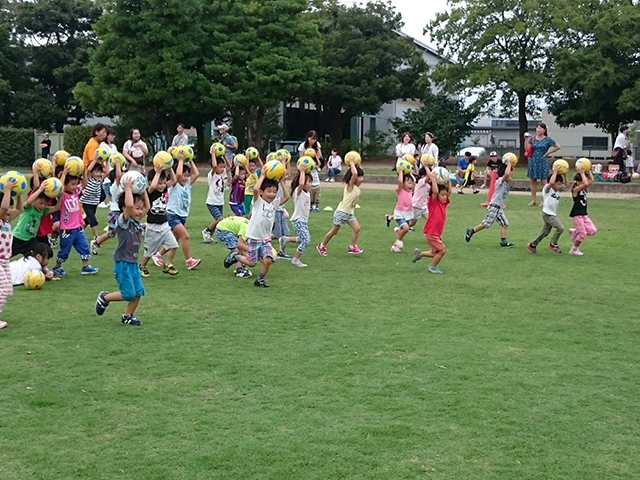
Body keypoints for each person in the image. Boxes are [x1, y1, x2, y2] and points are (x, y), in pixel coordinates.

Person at [95, 176, 150, 326]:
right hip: (122, 263)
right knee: (128, 294)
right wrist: (127, 188)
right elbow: (129, 205)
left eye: (140, 209)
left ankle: (127, 316)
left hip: (132, 263)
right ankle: (104, 298)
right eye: (135, 208)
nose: (139, 211)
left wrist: (143, 189)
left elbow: (147, 207)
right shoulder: (123, 221)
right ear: (125, 209)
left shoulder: (136, 222)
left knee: (138, 292)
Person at [223, 171, 290, 288]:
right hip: (254, 237)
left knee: (268, 260)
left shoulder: (274, 203)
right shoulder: (258, 202)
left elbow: (287, 196)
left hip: (266, 238)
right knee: (252, 263)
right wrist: (263, 175)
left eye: (274, 191)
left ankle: (260, 279)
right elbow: (255, 189)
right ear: (261, 192)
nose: (272, 194)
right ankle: (235, 257)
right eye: (269, 191)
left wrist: (281, 182)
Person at [152, 154, 201, 270]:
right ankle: (189, 261)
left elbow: (197, 174)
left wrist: (190, 160)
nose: (185, 178)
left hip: (182, 216)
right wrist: (180, 160)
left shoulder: (187, 184)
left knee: (173, 240)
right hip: (172, 214)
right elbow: (178, 175)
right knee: (186, 236)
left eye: (187, 175)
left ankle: (157, 255)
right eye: (184, 175)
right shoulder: (174, 184)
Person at [52, 166, 100, 276]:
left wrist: (83, 171)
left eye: (75, 184)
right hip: (66, 230)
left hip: (78, 227)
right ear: (65, 185)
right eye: (72, 184)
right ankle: (57, 267)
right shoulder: (62, 195)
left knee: (84, 246)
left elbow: (84, 184)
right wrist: (64, 174)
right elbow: (58, 187)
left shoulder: (75, 193)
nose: (75, 186)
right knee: (64, 250)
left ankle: (85, 266)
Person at [316, 161, 365, 256]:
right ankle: (321, 245)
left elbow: (357, 172)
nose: (362, 179)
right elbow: (354, 173)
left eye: (362, 177)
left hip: (349, 213)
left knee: (357, 228)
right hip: (341, 212)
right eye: (360, 177)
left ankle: (352, 247)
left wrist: (357, 163)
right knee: (334, 231)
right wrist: (351, 162)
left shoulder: (356, 188)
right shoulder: (350, 186)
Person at [464, 159, 515, 248]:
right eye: (511, 173)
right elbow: (506, 174)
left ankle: (503, 242)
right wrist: (509, 163)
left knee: (505, 223)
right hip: (494, 207)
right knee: (487, 223)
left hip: (498, 208)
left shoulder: (505, 183)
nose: (511, 175)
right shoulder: (500, 181)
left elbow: (507, 175)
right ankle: (471, 231)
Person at [139, 166, 179, 277]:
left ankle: (167, 265)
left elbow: (174, 180)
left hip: (165, 226)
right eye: (159, 183)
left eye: (163, 183)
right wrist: (157, 172)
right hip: (153, 227)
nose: (162, 186)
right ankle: (142, 266)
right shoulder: (149, 192)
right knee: (149, 252)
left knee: (173, 245)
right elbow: (152, 186)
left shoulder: (164, 188)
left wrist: (170, 168)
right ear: (152, 181)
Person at [412, 169, 451, 274]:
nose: (445, 197)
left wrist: (447, 180)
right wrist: (433, 179)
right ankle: (432, 267)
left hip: (436, 234)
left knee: (435, 252)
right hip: (431, 233)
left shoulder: (443, 203)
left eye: (445, 195)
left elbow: (449, 192)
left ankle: (420, 254)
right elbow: (435, 191)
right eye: (442, 195)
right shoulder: (433, 202)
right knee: (442, 251)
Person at [11, 181, 60, 258]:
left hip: (30, 240)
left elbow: (57, 207)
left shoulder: (43, 210)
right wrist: (40, 189)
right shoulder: (28, 207)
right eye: (41, 203)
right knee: (5, 255)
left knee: (41, 253)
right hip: (18, 238)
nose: (43, 206)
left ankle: (41, 269)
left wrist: (61, 195)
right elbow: (29, 201)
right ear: (34, 200)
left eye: (45, 204)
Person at [527, 165, 567, 255]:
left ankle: (532, 245)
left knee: (545, 232)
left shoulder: (557, 191)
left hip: (551, 214)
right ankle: (553, 244)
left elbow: (567, 185)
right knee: (560, 228)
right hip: (548, 214)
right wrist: (555, 172)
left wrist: (564, 174)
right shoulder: (547, 189)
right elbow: (552, 182)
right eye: (559, 184)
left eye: (561, 184)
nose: (560, 186)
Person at [0, 180, 22, 329]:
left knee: (8, 291)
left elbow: (19, 209)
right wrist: (7, 189)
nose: (10, 210)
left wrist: (19, 194)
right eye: (9, 208)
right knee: (4, 289)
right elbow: (4, 207)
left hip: (5, 260)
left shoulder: (6, 222)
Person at [278, 168, 311, 267]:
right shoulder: (298, 191)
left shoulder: (307, 193)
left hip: (303, 221)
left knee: (302, 238)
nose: (311, 184)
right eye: (309, 181)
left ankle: (285, 239)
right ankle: (295, 260)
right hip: (298, 220)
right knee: (306, 240)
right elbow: (300, 184)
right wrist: (302, 171)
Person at [91, 159, 125, 255]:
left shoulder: (123, 186)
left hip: (123, 212)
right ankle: (96, 242)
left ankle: (122, 250)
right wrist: (118, 163)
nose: (122, 175)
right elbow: (118, 175)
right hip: (115, 213)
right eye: (120, 174)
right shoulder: (115, 186)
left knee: (125, 232)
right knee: (111, 233)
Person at [525, 123, 561, 206]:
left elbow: (558, 146)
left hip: (542, 161)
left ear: (544, 130)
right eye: (537, 128)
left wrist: (549, 152)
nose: (538, 130)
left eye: (541, 128)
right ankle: (533, 200)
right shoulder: (533, 139)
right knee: (533, 181)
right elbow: (527, 149)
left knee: (544, 181)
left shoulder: (547, 139)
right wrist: (526, 139)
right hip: (533, 161)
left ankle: (544, 200)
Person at [201, 153, 228, 243]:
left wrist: (224, 156)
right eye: (221, 167)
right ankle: (207, 231)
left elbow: (230, 166)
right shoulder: (211, 175)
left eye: (223, 167)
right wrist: (213, 154)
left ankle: (208, 236)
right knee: (220, 219)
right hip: (212, 202)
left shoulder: (221, 175)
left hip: (220, 202)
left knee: (219, 222)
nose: (222, 169)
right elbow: (215, 165)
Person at [568, 169, 596, 256]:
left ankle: (575, 231)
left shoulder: (583, 188)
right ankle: (574, 249)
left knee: (592, 230)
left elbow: (591, 181)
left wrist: (588, 171)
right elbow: (586, 183)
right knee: (582, 233)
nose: (585, 181)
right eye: (582, 180)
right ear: (577, 182)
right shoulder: (575, 190)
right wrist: (582, 173)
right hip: (577, 215)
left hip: (584, 214)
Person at [80, 159, 104, 246]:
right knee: (92, 219)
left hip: (94, 203)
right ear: (91, 173)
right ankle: (96, 237)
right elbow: (88, 170)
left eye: (99, 172)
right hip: (85, 203)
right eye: (96, 172)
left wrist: (107, 160)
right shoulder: (89, 179)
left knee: (86, 220)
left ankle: (77, 232)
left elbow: (107, 172)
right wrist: (95, 159)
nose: (98, 174)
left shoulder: (100, 180)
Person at [390, 171, 415, 253]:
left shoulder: (410, 191)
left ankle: (394, 246)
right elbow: (400, 181)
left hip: (407, 214)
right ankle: (399, 241)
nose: (411, 185)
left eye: (411, 183)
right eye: (408, 183)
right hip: (399, 213)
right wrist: (401, 171)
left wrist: (410, 173)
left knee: (403, 230)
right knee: (406, 228)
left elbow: (414, 181)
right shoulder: (400, 190)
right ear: (403, 184)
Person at [298, 131, 323, 207]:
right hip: (306, 168)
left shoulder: (317, 145)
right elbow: (301, 159)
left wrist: (315, 156)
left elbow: (320, 157)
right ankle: (307, 202)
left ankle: (315, 204)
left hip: (314, 167)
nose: (313, 141)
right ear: (308, 137)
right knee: (307, 185)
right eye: (311, 139)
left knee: (316, 186)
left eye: (315, 139)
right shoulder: (302, 146)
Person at [99, 128, 118, 208]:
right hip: (106, 167)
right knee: (105, 183)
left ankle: (112, 200)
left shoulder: (113, 146)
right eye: (111, 135)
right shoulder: (103, 145)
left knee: (113, 184)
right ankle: (104, 200)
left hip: (113, 168)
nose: (113, 137)